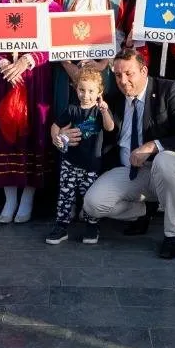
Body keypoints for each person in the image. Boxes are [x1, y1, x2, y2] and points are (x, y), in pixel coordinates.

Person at [82, 48, 175, 258]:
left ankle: (172, 235)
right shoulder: (115, 99)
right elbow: (91, 125)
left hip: (165, 172)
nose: (123, 80)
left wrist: (153, 145)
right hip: (129, 171)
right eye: (118, 75)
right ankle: (144, 212)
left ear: (144, 71)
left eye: (129, 73)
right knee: (93, 205)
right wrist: (62, 130)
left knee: (165, 161)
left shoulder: (170, 90)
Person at [0, 0, 60, 223]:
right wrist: (4, 65)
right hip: (8, 79)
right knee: (7, 135)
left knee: (34, 133)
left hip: (36, 80)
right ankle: (9, 199)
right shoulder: (5, 4)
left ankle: (28, 198)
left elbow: (54, 42)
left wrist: (27, 60)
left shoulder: (51, 7)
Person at [46, 67, 115, 245]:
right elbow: (55, 125)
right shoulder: (71, 109)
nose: (86, 95)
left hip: (92, 165)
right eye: (82, 90)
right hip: (70, 162)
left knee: (89, 197)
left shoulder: (99, 112)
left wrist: (105, 110)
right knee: (65, 196)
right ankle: (61, 226)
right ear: (76, 89)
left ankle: (92, 225)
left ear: (99, 92)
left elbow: (110, 127)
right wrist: (56, 138)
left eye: (91, 91)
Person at [56, 0, 126, 114]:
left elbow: (118, 36)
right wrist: (69, 67)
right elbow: (55, 34)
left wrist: (102, 65)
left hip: (101, 73)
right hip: (69, 73)